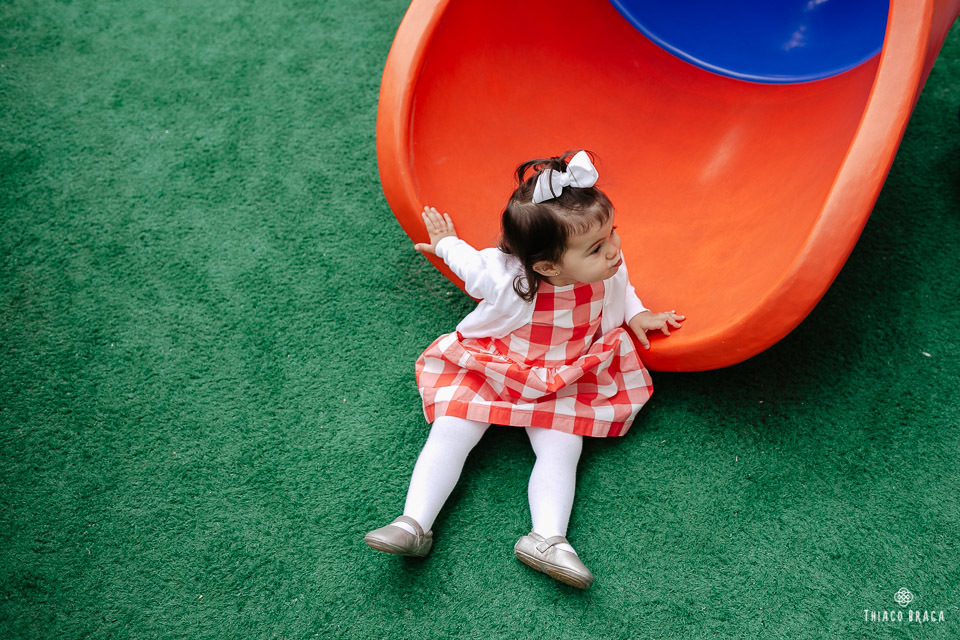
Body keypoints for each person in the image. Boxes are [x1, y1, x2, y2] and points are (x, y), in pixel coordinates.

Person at [365, 151, 684, 589]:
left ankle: (548, 539)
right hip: (495, 365)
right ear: (547, 267)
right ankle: (414, 523)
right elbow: (471, 267)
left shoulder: (607, 267)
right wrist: (444, 244)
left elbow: (622, 289)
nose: (614, 251)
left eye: (613, 234)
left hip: (563, 375)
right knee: (453, 428)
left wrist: (638, 314)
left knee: (561, 447)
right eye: (597, 247)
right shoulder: (506, 278)